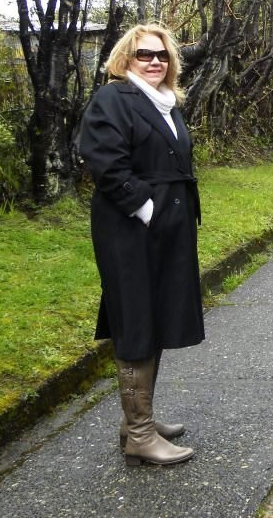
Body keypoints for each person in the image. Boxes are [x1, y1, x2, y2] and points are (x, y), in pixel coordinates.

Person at [79, 23, 203, 467]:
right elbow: (104, 163)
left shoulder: (167, 104)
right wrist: (147, 209)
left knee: (157, 314)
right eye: (144, 55)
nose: (154, 62)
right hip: (130, 228)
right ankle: (139, 434)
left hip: (169, 226)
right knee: (135, 318)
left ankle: (139, 419)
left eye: (162, 56)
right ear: (125, 60)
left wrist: (173, 216)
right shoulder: (113, 99)